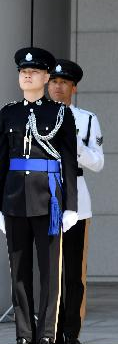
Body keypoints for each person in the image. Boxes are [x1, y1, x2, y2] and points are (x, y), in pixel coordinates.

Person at [0, 47, 79, 344]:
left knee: (49, 273)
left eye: (33, 72)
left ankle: (46, 335)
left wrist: (71, 206)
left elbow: (68, 160)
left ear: (46, 77)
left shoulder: (60, 113)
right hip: (14, 200)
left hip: (49, 201)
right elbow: (1, 161)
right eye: (23, 71)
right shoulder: (8, 113)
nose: (27, 75)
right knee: (19, 273)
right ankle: (23, 334)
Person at [48, 59, 104, 344]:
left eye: (64, 83)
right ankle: (50, 332)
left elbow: (98, 163)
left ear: (74, 88)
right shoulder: (33, 116)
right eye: (54, 82)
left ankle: (71, 334)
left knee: (73, 272)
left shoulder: (87, 119)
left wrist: (76, 145)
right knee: (49, 272)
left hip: (77, 201)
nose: (58, 87)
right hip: (42, 197)